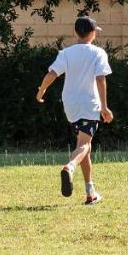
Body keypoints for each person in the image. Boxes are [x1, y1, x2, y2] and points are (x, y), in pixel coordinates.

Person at [36, 16, 114, 204]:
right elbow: (101, 79)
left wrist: (41, 90)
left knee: (83, 146)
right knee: (84, 145)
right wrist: (104, 107)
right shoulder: (98, 53)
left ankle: (90, 192)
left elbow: (52, 74)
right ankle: (70, 167)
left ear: (76, 32)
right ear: (93, 33)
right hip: (89, 103)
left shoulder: (66, 54)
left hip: (70, 105)